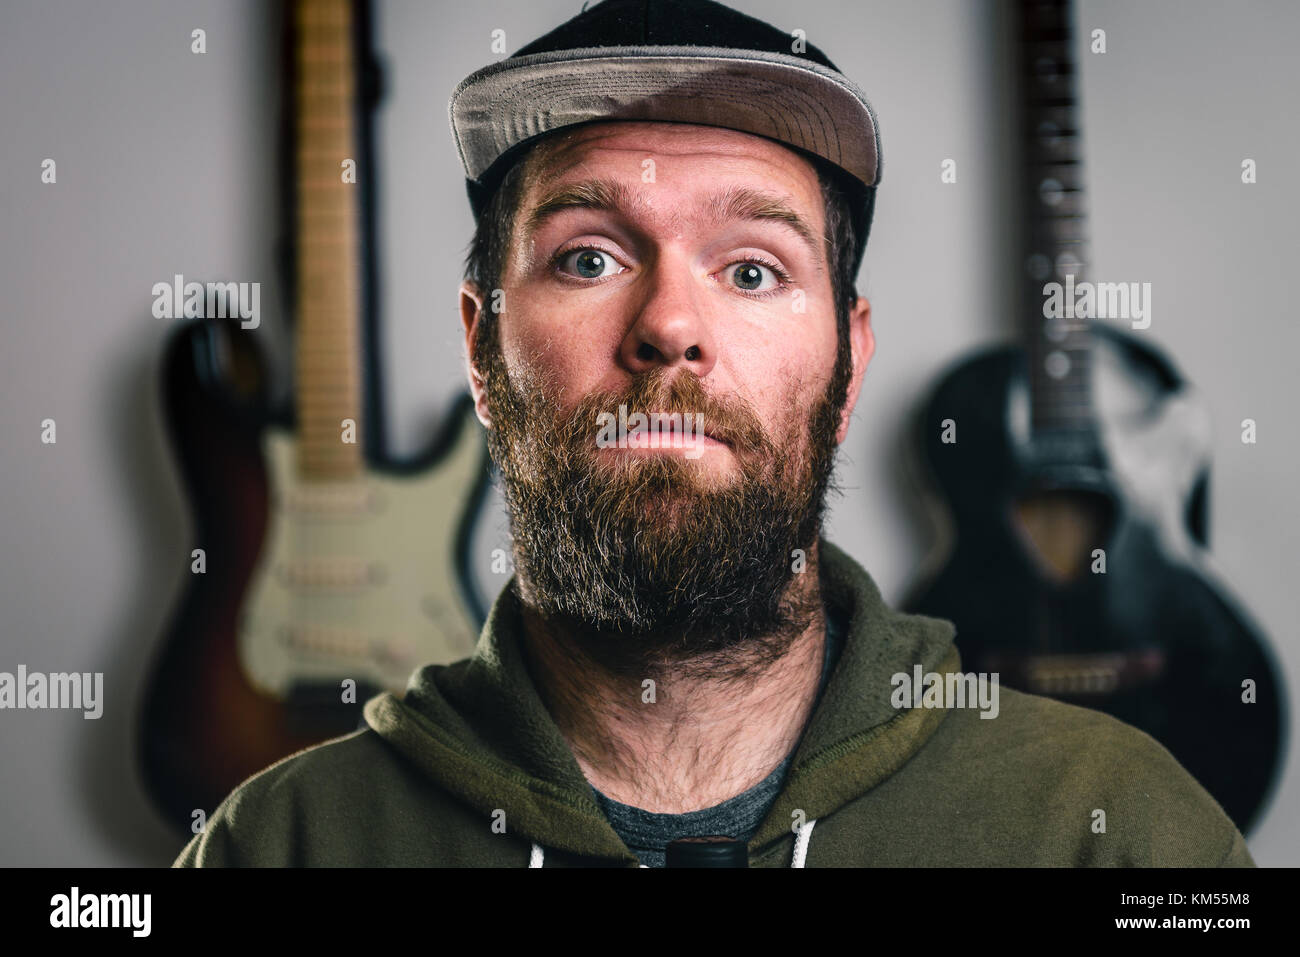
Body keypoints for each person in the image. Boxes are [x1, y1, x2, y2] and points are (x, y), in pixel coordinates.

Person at [175, 0, 1252, 867]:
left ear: (850, 355)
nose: (670, 326)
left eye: (751, 269)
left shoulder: (1115, 829)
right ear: (481, 346)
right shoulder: (278, 844)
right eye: (588, 257)